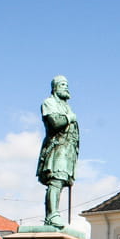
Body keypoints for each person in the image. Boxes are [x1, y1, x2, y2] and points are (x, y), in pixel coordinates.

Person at [36, 75, 79, 228]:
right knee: (56, 180)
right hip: (56, 148)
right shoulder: (49, 102)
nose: (66, 87)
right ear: (54, 88)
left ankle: (54, 214)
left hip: (67, 150)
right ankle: (52, 215)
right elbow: (55, 122)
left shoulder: (66, 106)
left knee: (60, 181)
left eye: (66, 84)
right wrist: (69, 118)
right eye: (62, 85)